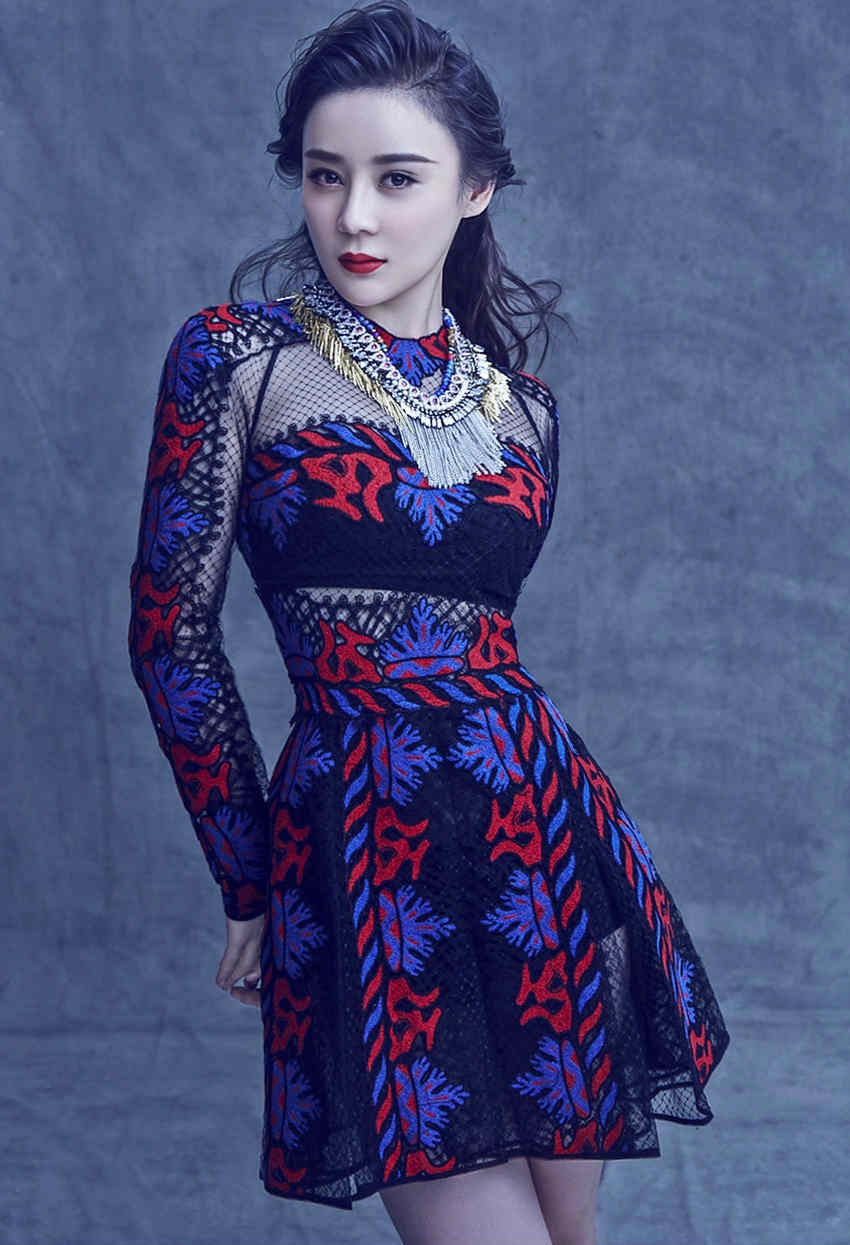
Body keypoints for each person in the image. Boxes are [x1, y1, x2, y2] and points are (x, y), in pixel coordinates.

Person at [127, 3, 730, 1242]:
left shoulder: (527, 413)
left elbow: (486, 652)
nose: (353, 216)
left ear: (474, 190)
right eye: (324, 176)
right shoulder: (237, 362)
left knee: (571, 1234)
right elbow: (169, 639)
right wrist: (250, 874)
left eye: (396, 179)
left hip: (539, 842)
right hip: (363, 852)